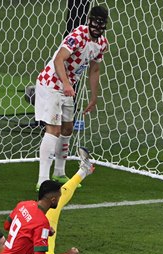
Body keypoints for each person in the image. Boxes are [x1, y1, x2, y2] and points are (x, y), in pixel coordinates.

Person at [0, 151, 153, 254]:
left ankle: (84, 170)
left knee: (55, 203)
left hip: (39, 239)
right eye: (3, 242)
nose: (6, 240)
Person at [34, 5, 108, 188]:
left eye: (101, 24)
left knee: (67, 128)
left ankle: (59, 173)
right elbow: (59, 59)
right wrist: (67, 83)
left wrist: (93, 97)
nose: (97, 28)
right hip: (51, 82)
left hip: (67, 87)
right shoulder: (77, 35)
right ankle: (43, 180)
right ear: (89, 21)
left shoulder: (102, 44)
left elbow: (95, 69)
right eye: (95, 23)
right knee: (54, 130)